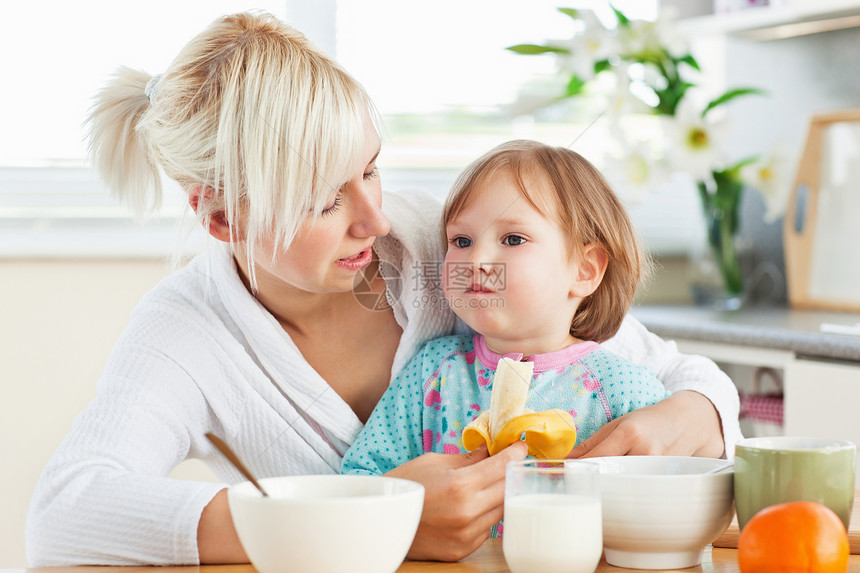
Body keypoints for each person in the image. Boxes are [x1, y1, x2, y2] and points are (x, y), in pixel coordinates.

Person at [25, 11, 740, 567]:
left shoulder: (445, 240)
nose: (374, 215)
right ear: (221, 218)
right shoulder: (186, 332)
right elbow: (65, 511)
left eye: (370, 168)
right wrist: (360, 514)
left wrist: (689, 415)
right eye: (324, 200)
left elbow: (680, 374)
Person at [341, 140, 669, 491]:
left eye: (513, 239)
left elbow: (660, 503)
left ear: (584, 271)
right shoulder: (431, 374)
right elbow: (359, 479)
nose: (477, 262)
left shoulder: (623, 391)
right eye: (462, 241)